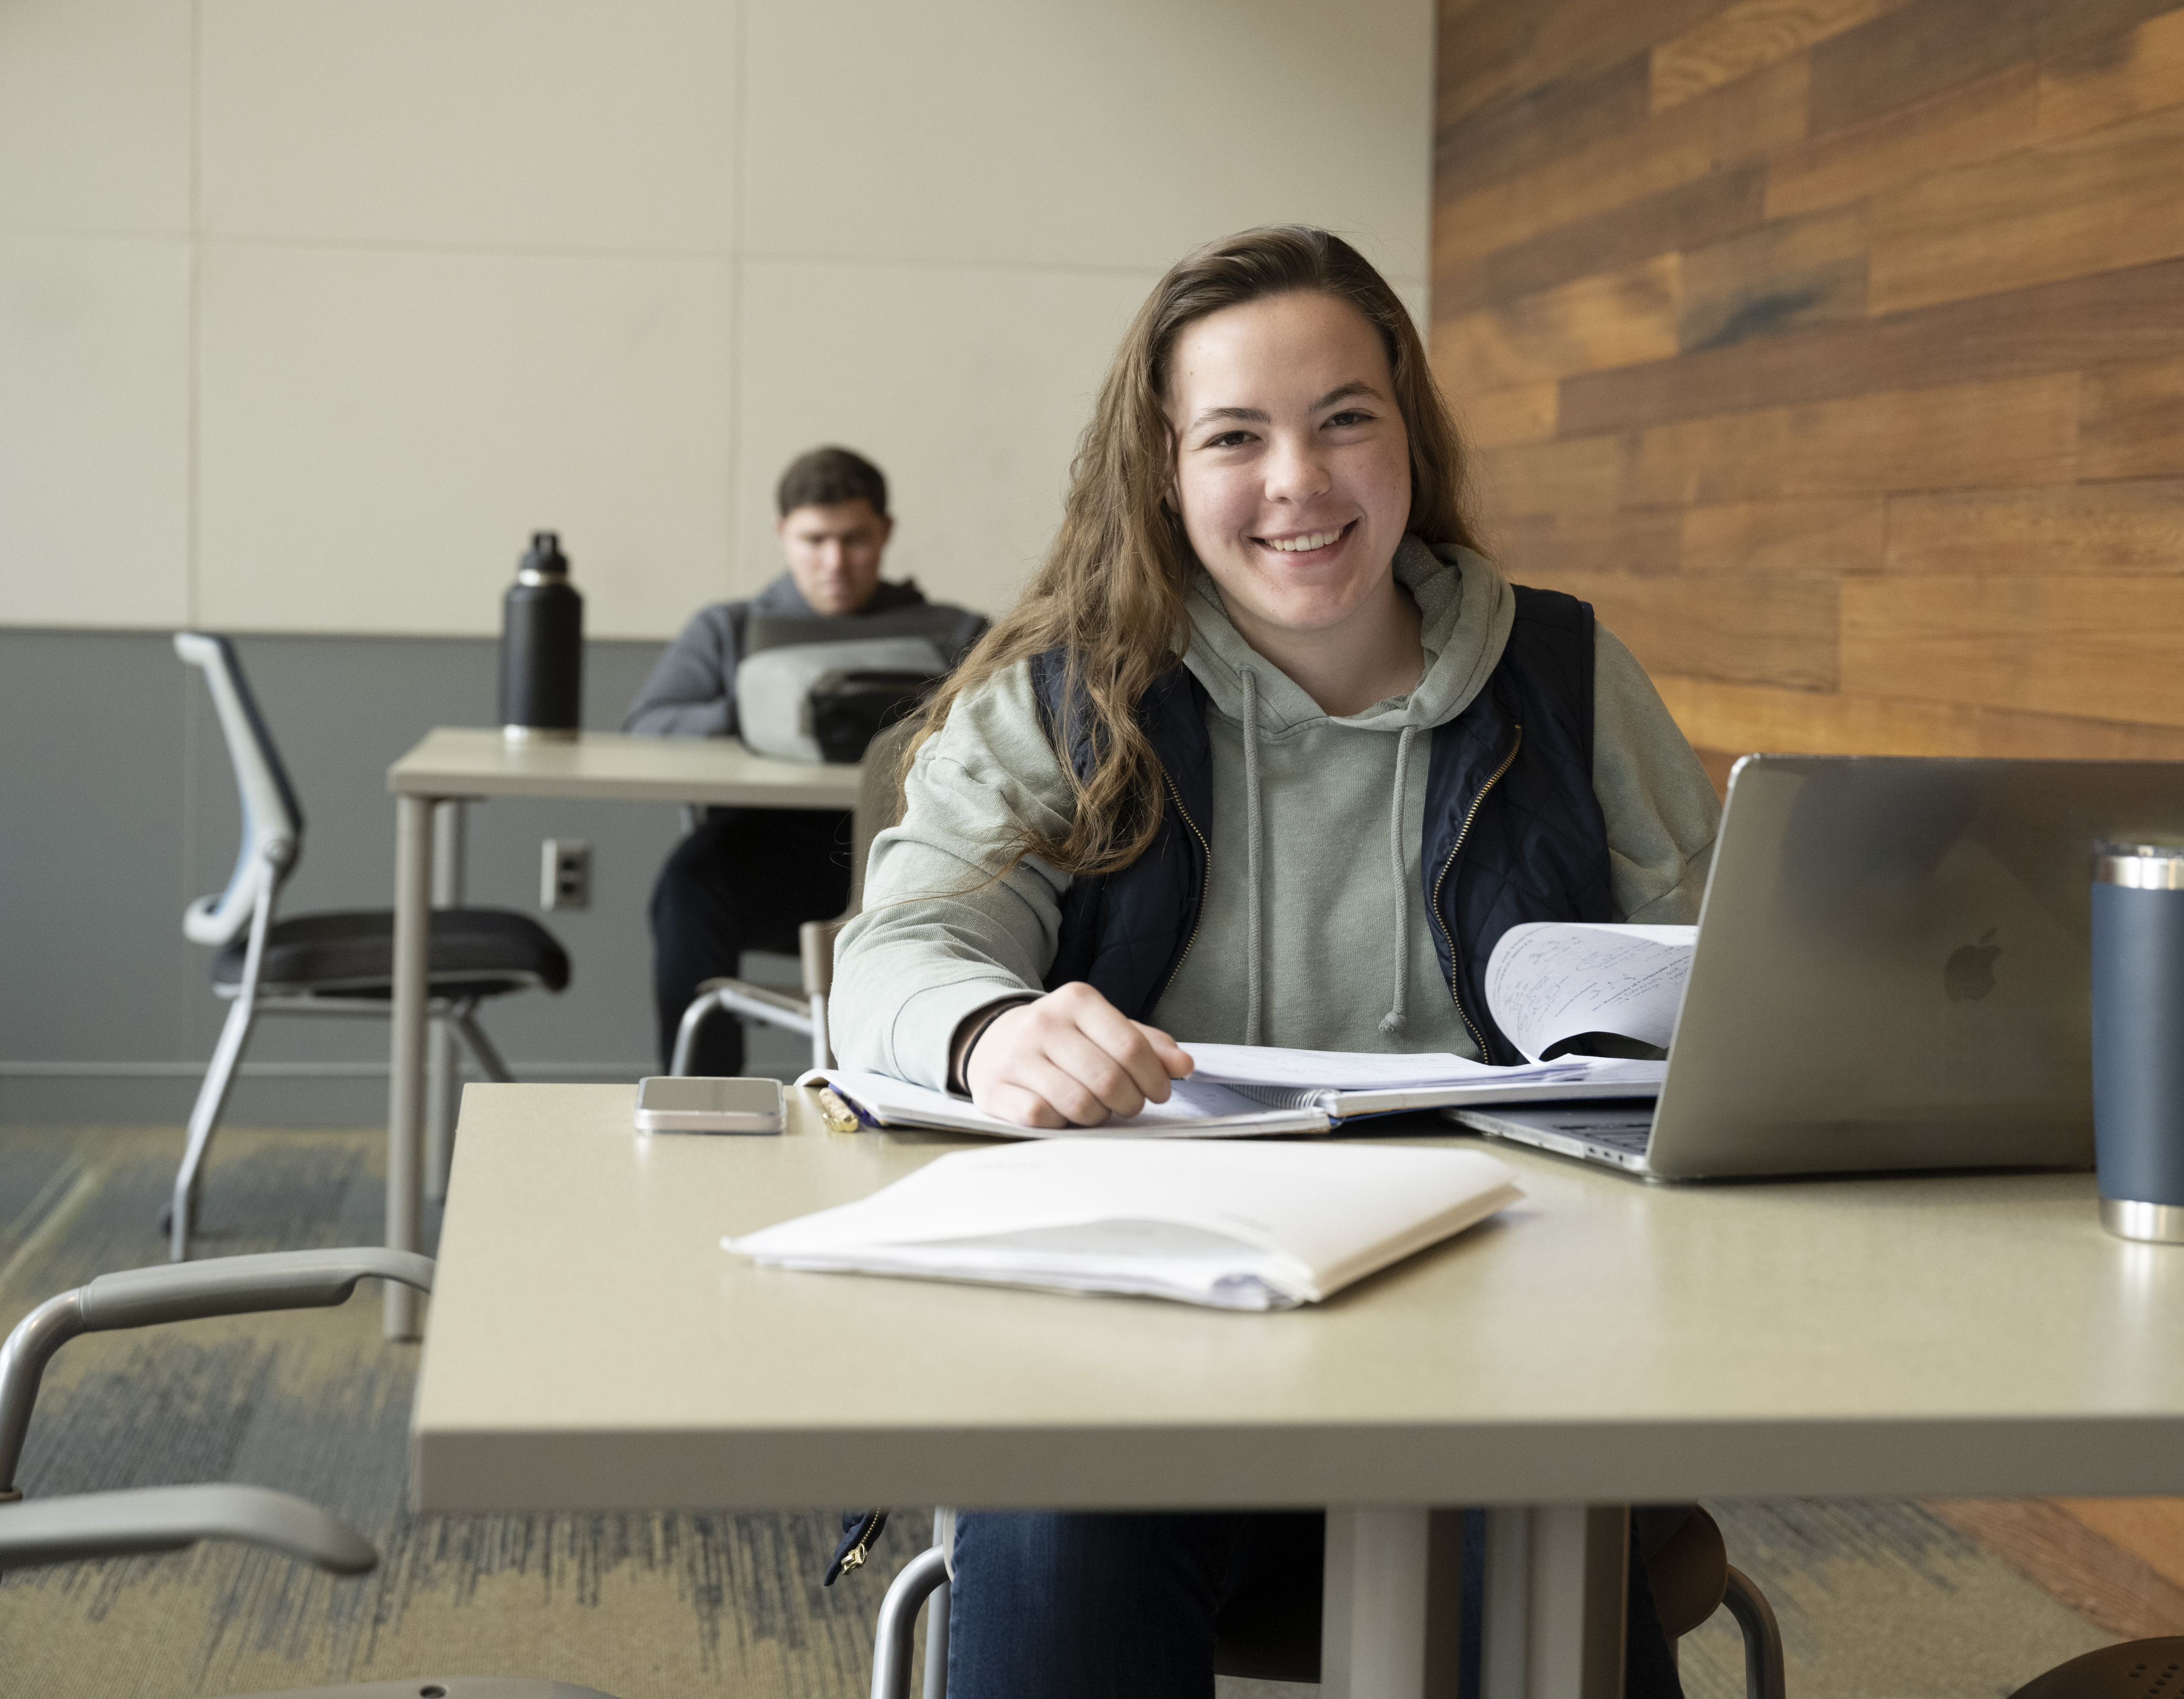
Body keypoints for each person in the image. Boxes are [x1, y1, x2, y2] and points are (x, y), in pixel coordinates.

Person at [832, 228, 1719, 1696]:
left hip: (1503, 1364)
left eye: (1345, 420)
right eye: (1237, 437)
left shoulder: (1567, 679)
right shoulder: (1063, 701)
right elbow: (899, 950)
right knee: (1056, 1528)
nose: (1298, 481)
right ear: (1166, 473)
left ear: (1409, 445)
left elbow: (1716, 984)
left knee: (1552, 1545)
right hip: (1133, 1376)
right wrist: (991, 1030)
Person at [627, 445, 981, 1075]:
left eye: (855, 540)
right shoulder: (729, 631)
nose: (835, 563)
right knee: (688, 883)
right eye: (814, 540)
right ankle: (703, 1099)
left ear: (886, 533)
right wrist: (755, 717)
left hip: (911, 856)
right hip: (772, 858)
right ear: (781, 534)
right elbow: (649, 726)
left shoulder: (954, 633)